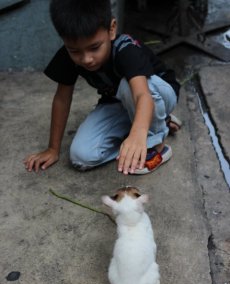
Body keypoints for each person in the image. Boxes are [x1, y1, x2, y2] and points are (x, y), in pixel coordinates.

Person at [24, 0, 181, 175]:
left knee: (127, 85)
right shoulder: (68, 55)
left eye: (94, 47)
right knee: (80, 157)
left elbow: (143, 96)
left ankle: (156, 145)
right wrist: (53, 149)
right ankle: (148, 127)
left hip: (156, 93)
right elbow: (62, 99)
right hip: (119, 102)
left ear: (112, 28)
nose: (86, 59)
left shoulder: (126, 50)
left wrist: (138, 133)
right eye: (75, 51)